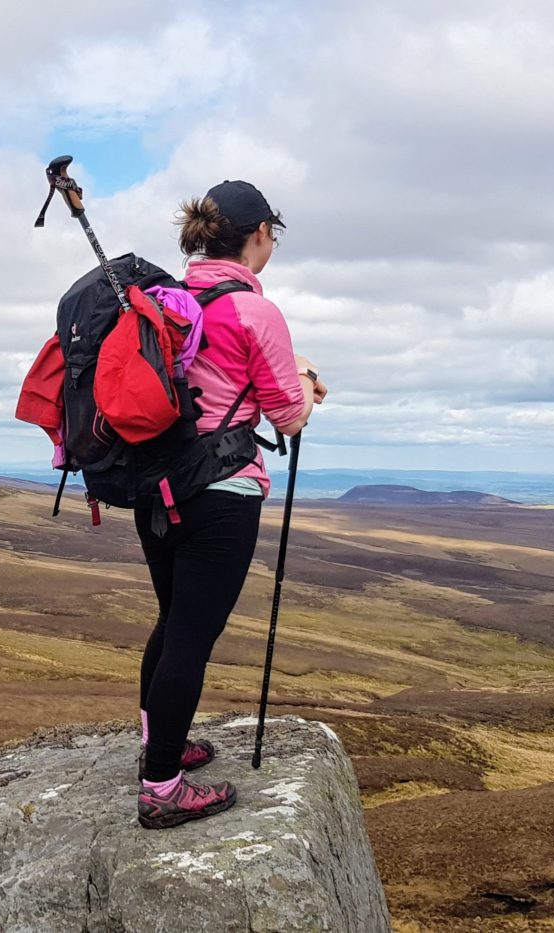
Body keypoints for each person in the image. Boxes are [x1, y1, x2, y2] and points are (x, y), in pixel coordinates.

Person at [135, 180, 327, 830]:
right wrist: (303, 379)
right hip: (223, 492)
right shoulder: (254, 312)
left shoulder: (167, 298)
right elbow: (288, 414)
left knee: (172, 620)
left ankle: (157, 744)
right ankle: (162, 785)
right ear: (259, 236)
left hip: (156, 488)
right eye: (272, 233)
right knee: (193, 632)